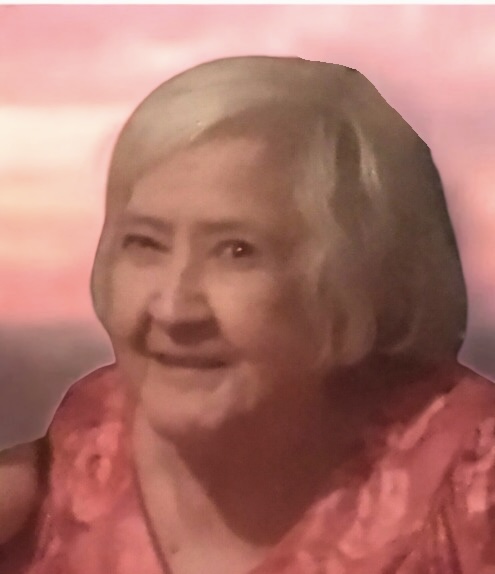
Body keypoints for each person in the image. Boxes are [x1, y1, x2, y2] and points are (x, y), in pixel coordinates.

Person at [1, 55, 495, 574]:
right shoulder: (89, 441)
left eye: (237, 251)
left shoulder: (468, 481)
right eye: (145, 243)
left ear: (355, 278)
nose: (173, 308)